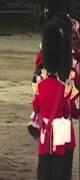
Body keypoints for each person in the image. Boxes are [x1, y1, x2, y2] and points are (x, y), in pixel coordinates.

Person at [32, 20, 72, 180]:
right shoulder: (65, 87)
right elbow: (70, 111)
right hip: (61, 134)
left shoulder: (40, 85)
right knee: (59, 170)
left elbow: (36, 106)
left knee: (44, 167)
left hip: (45, 133)